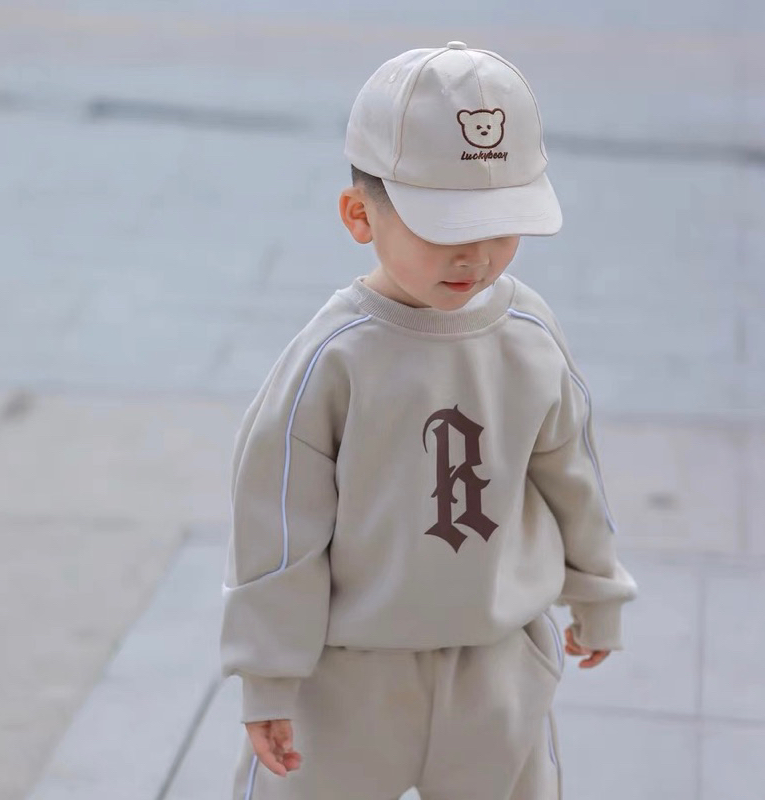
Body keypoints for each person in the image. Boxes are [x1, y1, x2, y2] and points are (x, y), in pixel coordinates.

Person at [220, 41, 637, 800]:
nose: (476, 256)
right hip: (347, 680)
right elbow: (280, 527)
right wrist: (268, 675)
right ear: (359, 215)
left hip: (497, 665)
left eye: (501, 227)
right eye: (444, 228)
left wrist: (598, 590)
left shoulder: (529, 335)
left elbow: (572, 476)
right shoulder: (333, 359)